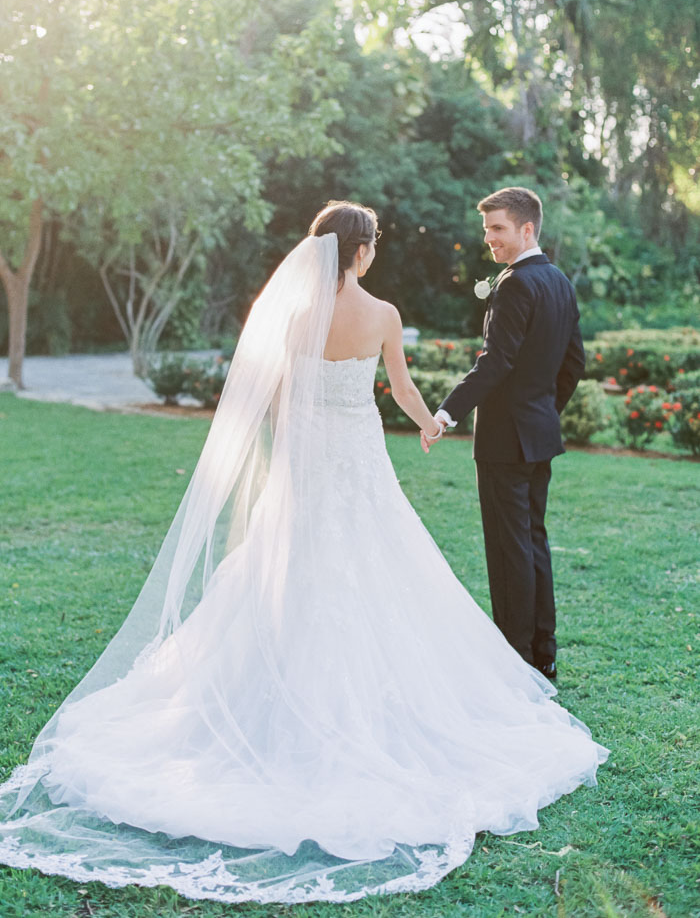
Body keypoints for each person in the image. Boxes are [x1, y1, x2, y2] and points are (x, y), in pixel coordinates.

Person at [0, 201, 605, 905]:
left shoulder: (289, 316)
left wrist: (289, 464)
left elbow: (277, 397)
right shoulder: (382, 314)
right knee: (384, 572)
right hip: (359, 463)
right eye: (373, 243)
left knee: (288, 569)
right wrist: (431, 422)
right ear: (362, 251)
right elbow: (403, 389)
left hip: (308, 465)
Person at [424, 187, 586, 681]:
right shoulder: (559, 281)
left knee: (509, 546)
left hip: (504, 440)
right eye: (487, 229)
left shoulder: (516, 284)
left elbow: (496, 362)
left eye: (497, 229)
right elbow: (573, 364)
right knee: (533, 540)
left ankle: (515, 657)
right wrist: (542, 411)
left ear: (527, 229)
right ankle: (544, 650)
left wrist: (447, 413)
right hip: (538, 434)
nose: (489, 239)